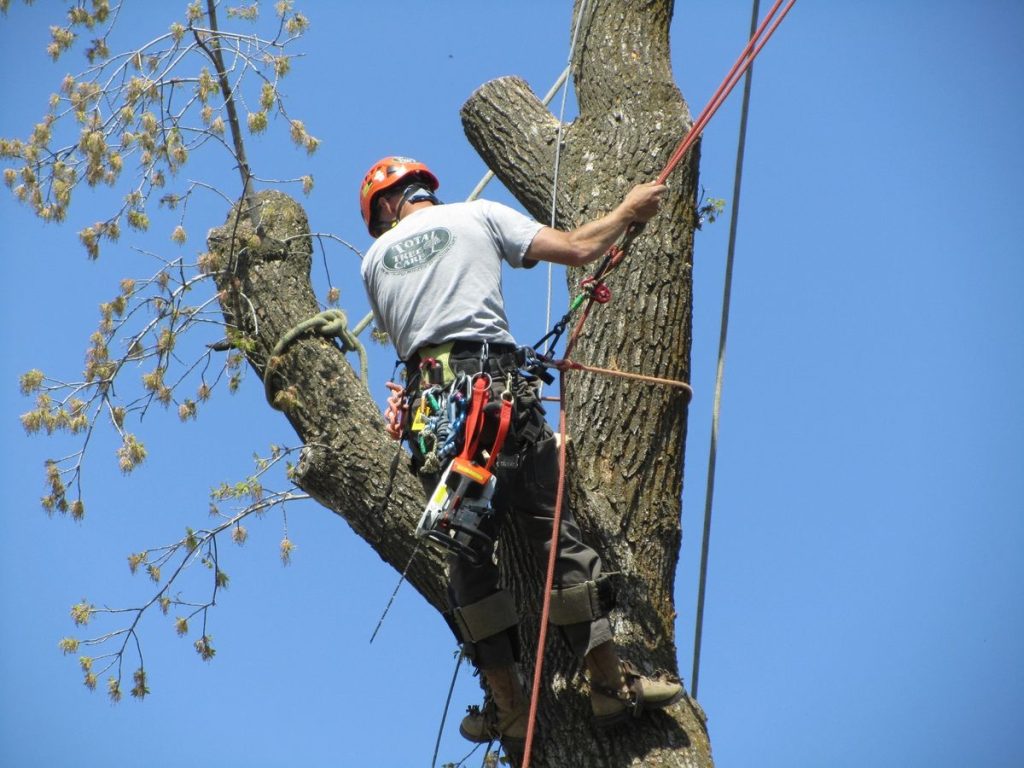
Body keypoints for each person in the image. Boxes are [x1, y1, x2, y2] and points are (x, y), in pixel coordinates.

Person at [358, 156, 682, 745]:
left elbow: (417, 343)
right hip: (501, 398)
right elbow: (582, 248)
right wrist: (628, 213)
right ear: (422, 190)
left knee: (469, 556)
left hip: (436, 419)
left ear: (383, 210)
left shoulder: (373, 263)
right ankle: (608, 686)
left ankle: (507, 704)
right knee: (554, 533)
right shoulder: (478, 214)